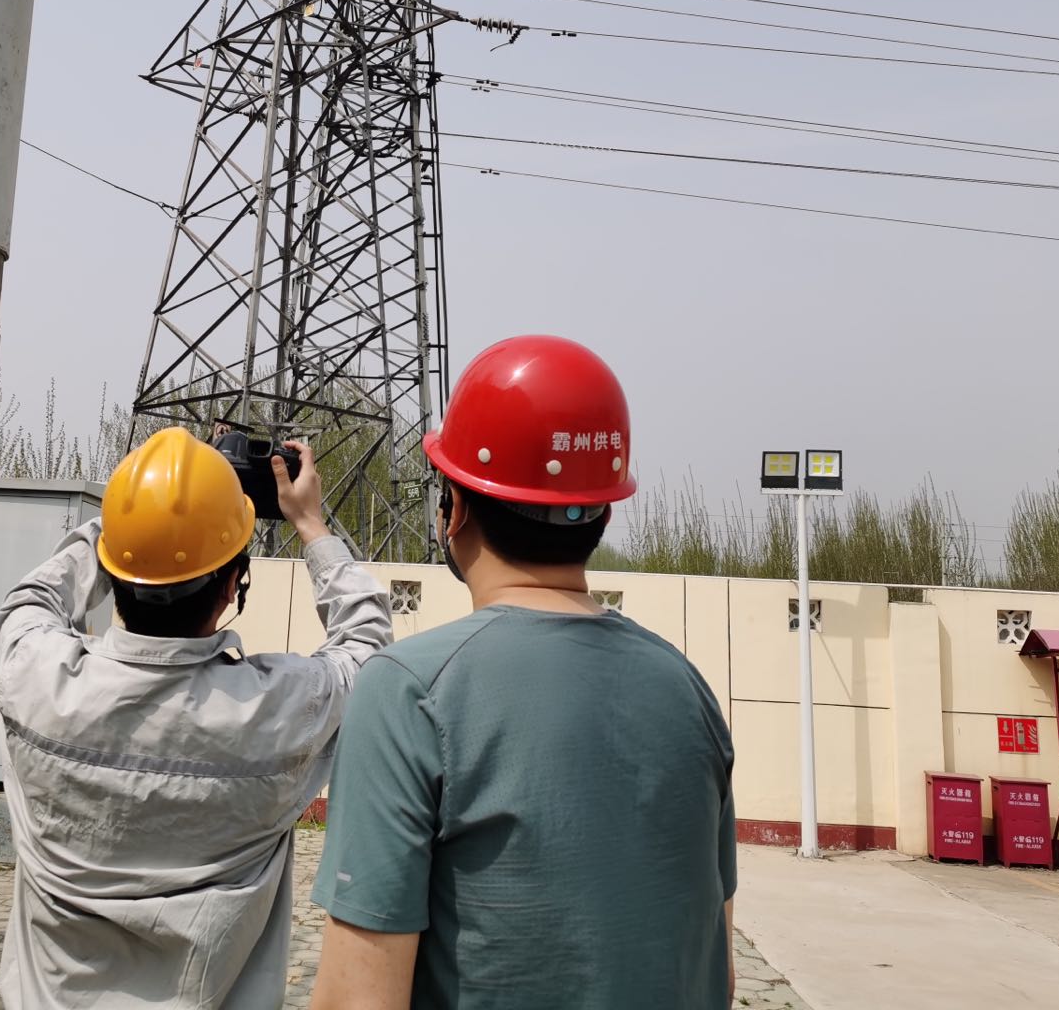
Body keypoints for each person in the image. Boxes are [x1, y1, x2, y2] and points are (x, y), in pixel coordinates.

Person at [309, 335, 738, 1009]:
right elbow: (716, 964)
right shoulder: (687, 689)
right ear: (603, 509)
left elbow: (357, 997)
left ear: (454, 510)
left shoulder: (408, 691)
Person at [0, 426, 392, 1008]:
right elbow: (368, 645)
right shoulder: (277, 710)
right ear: (232, 585)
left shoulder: (34, 677)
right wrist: (309, 523)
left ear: (113, 571)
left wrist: (149, 503)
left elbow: (32, 599)